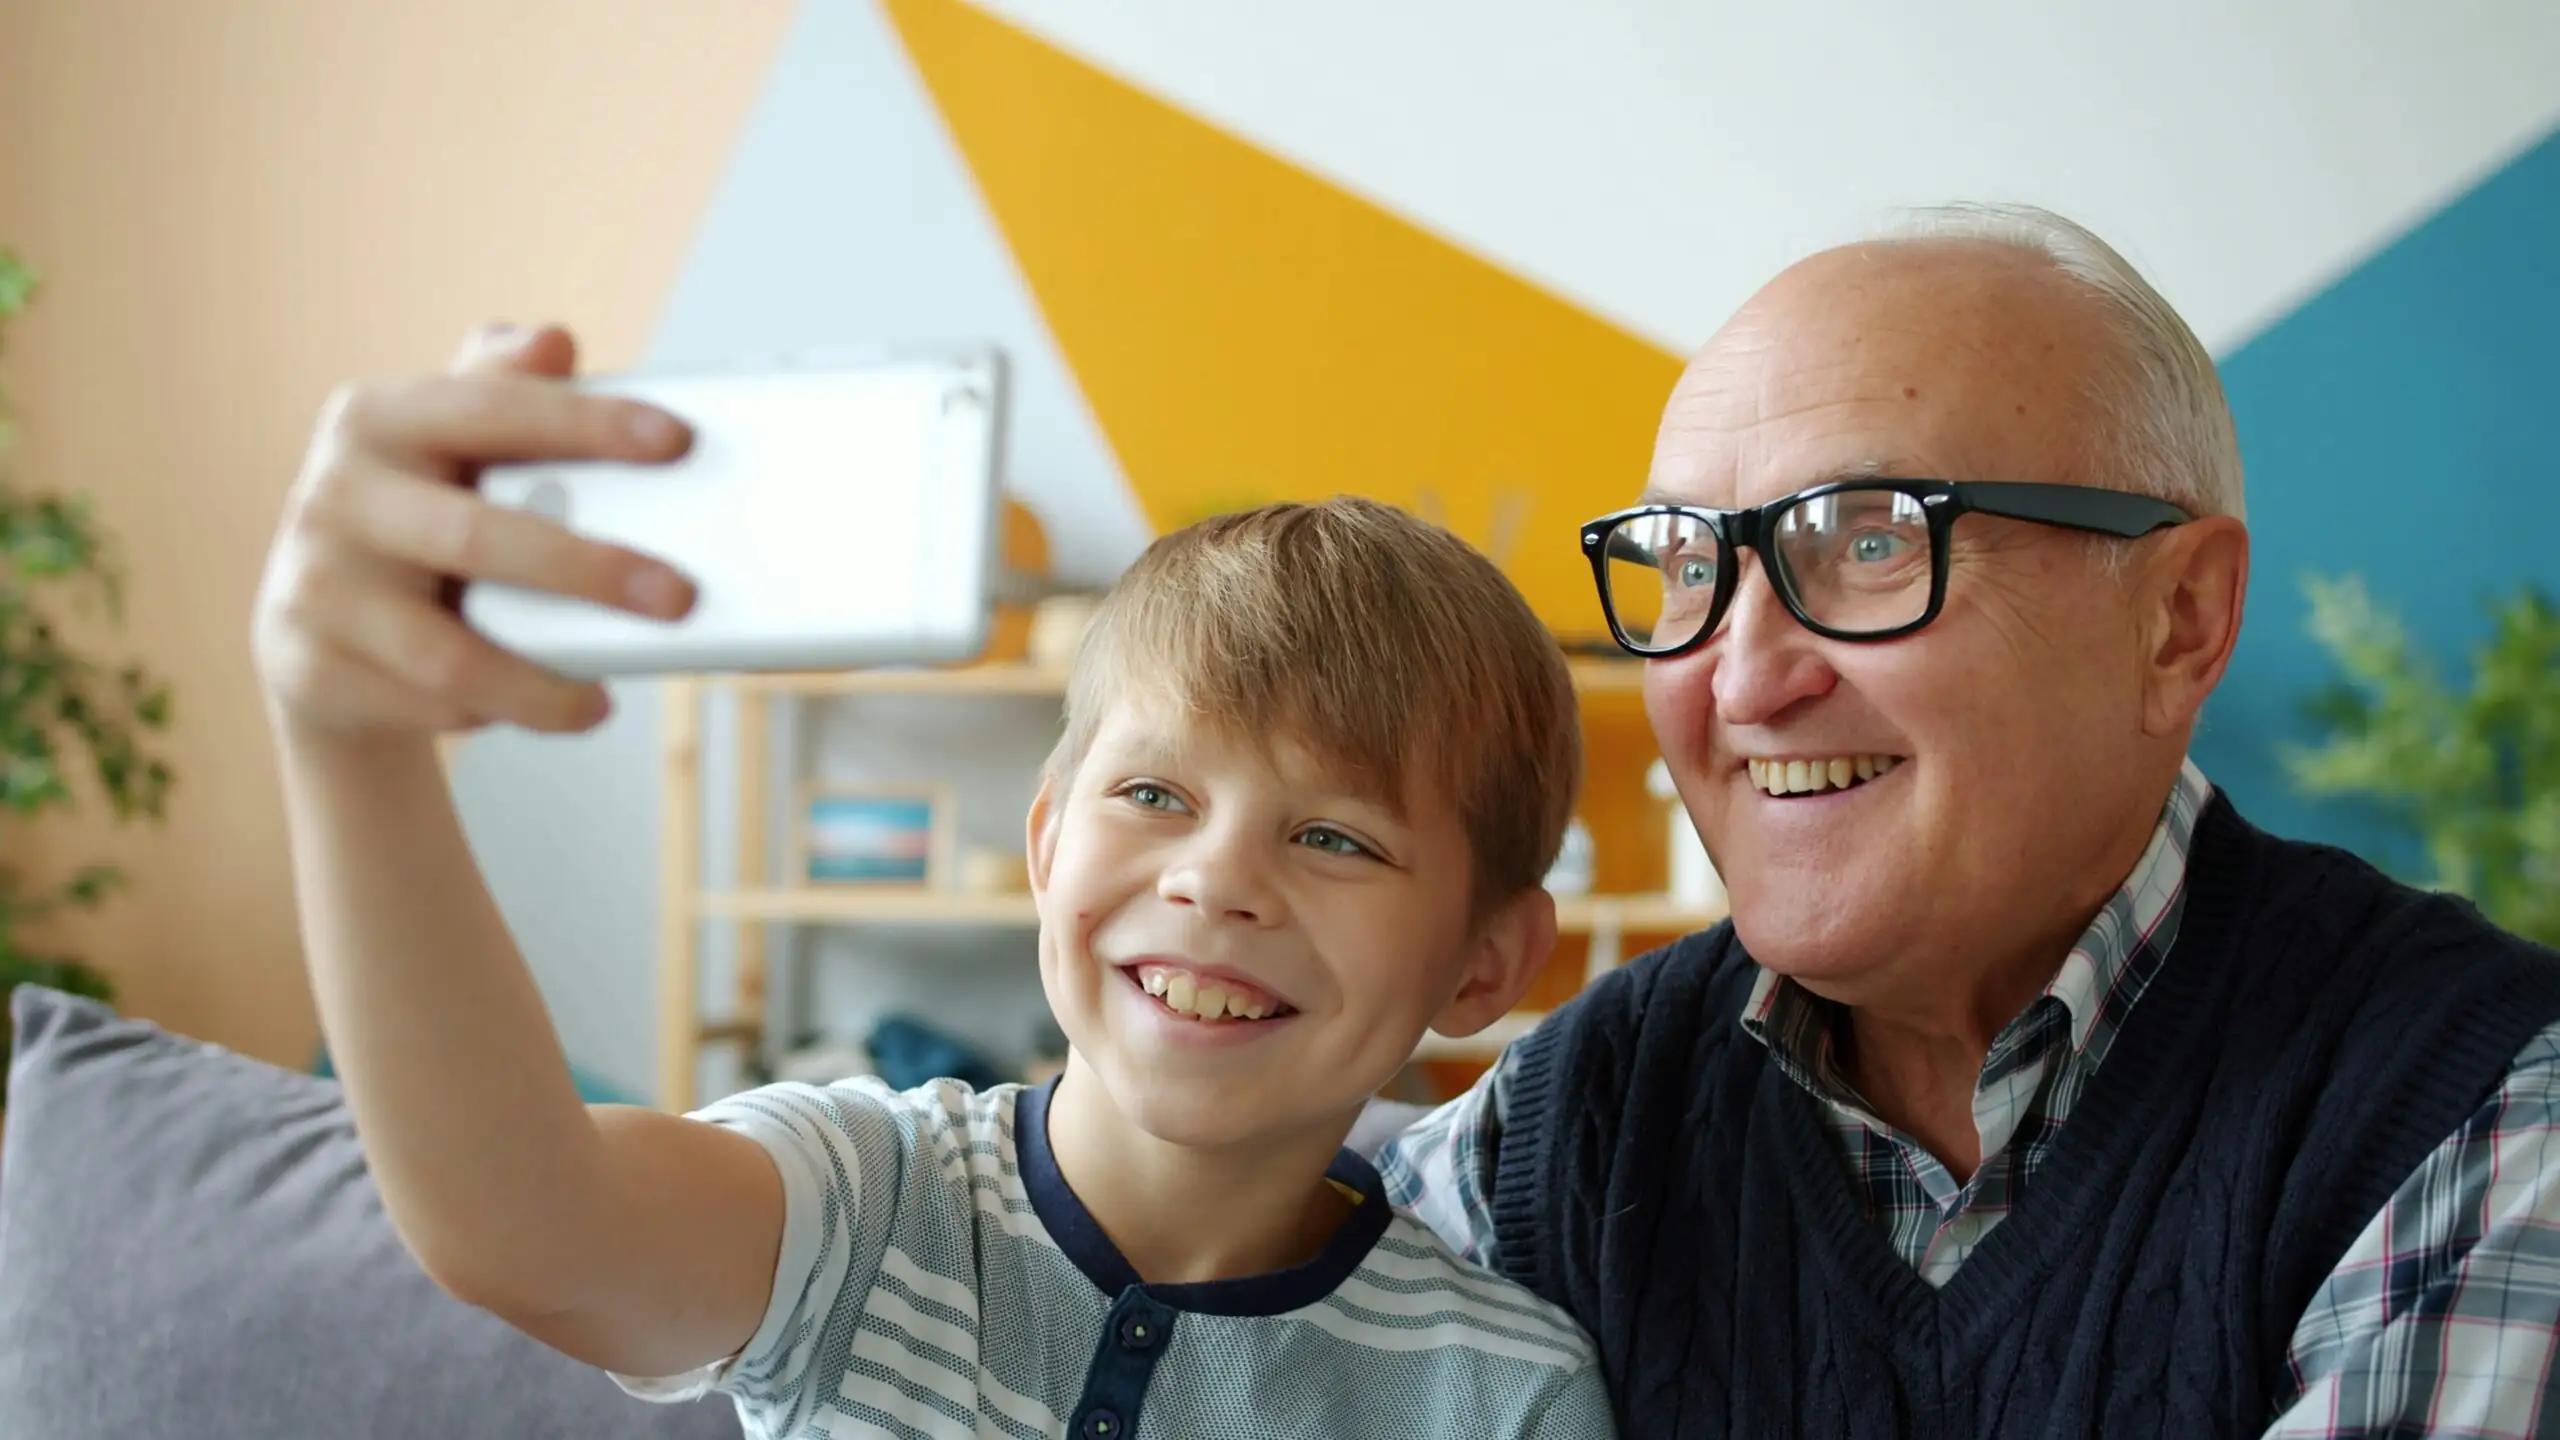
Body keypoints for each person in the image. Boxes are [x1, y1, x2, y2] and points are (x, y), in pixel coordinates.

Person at [250, 325, 1616, 1439]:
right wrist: (348, 745)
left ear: (1485, 962)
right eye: (1153, 796)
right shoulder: (862, 1200)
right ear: (1044, 843)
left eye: (1336, 839)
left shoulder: (1504, 1392)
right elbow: (529, 1229)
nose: (1217, 880)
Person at [1380, 201, 2560, 1438]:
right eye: (1689, 568)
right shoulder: (1570, 1125)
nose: (1738, 680)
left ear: (2179, 622)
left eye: (1870, 541)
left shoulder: (2472, 1113)